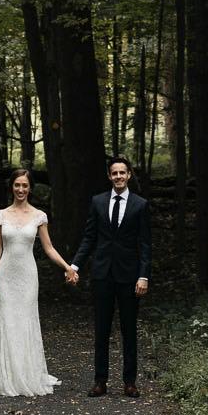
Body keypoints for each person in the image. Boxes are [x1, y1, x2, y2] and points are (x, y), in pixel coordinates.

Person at [65, 155, 151, 397]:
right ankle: (100, 381)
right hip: (102, 275)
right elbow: (89, 237)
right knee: (101, 330)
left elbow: (145, 244)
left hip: (129, 276)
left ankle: (129, 382)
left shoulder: (140, 204)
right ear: (109, 176)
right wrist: (75, 266)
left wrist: (143, 276)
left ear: (129, 175)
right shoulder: (98, 202)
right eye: (114, 173)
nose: (118, 177)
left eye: (122, 173)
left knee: (129, 330)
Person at [0, 167, 72, 397]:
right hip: (6, 275)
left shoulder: (38, 216)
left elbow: (49, 248)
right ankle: (9, 377)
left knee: (25, 321)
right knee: (8, 320)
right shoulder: (1, 215)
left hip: (27, 276)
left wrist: (67, 266)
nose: (21, 189)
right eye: (17, 185)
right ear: (11, 187)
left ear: (30, 188)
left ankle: (28, 373)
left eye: (25, 185)